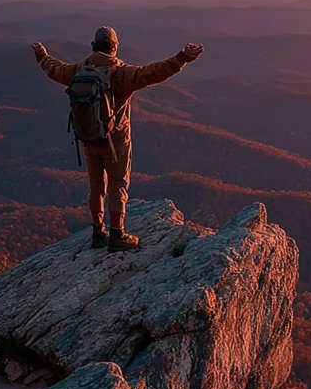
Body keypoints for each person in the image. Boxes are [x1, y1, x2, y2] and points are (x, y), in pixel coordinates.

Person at [33, 27, 203, 251]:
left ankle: (97, 233)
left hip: (89, 138)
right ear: (114, 47)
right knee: (117, 185)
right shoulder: (121, 74)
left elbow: (54, 69)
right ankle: (117, 234)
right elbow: (154, 72)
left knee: (96, 187)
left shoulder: (78, 70)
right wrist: (182, 58)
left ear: (93, 46)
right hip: (115, 142)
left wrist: (42, 56)